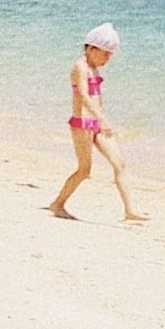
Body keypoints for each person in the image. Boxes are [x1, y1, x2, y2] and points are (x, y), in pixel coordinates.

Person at [49, 22, 146, 222]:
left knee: (120, 164)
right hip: (82, 124)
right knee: (84, 170)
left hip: (97, 124)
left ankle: (130, 211)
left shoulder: (94, 68)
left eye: (110, 55)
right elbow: (83, 96)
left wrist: (101, 120)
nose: (107, 59)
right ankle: (57, 204)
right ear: (91, 48)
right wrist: (102, 118)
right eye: (105, 54)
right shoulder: (80, 67)